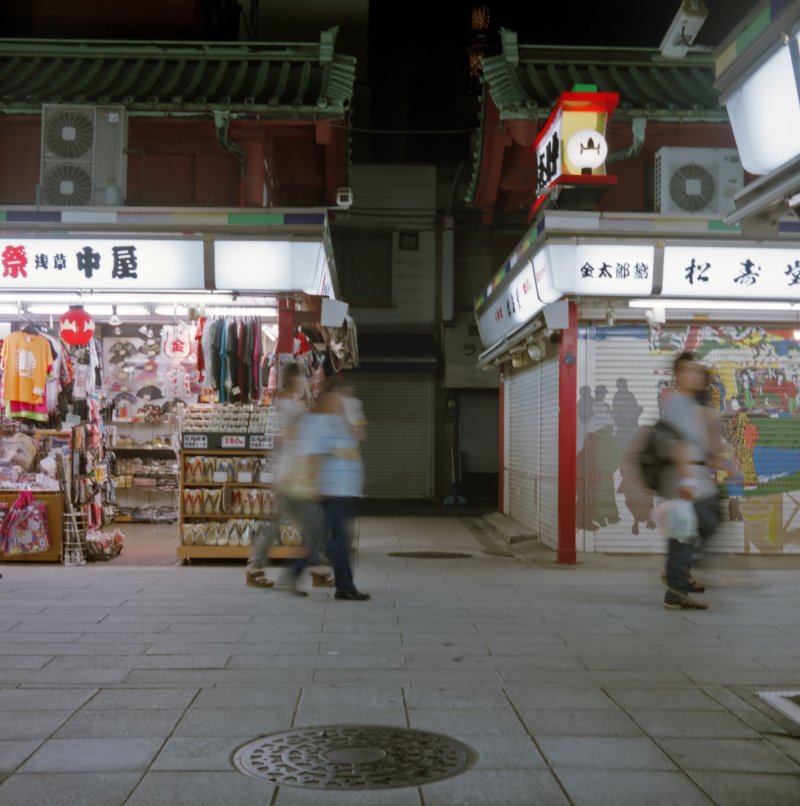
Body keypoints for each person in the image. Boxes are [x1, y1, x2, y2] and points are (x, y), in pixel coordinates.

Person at [245, 363, 331, 591]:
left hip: (291, 476)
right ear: (294, 379)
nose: (306, 382)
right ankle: (313, 568)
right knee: (307, 524)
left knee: (304, 524)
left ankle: (314, 567)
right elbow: (294, 438)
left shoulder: (288, 405)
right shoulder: (291, 408)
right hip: (292, 478)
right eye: (303, 378)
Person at [661, 353, 721, 610]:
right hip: (685, 479)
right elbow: (678, 444)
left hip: (696, 477)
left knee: (705, 522)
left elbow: (706, 437)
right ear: (678, 376)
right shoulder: (677, 403)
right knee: (683, 534)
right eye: (689, 371)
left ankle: (680, 575)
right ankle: (675, 589)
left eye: (698, 371)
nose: (695, 375)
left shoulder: (693, 403)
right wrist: (687, 479)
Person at [299, 384, 370, 601]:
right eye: (335, 398)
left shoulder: (338, 421)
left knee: (326, 537)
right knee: (339, 540)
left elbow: (360, 436)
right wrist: (317, 484)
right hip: (332, 490)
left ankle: (294, 570)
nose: (340, 400)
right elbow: (314, 456)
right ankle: (345, 587)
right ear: (325, 400)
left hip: (343, 490)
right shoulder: (318, 422)